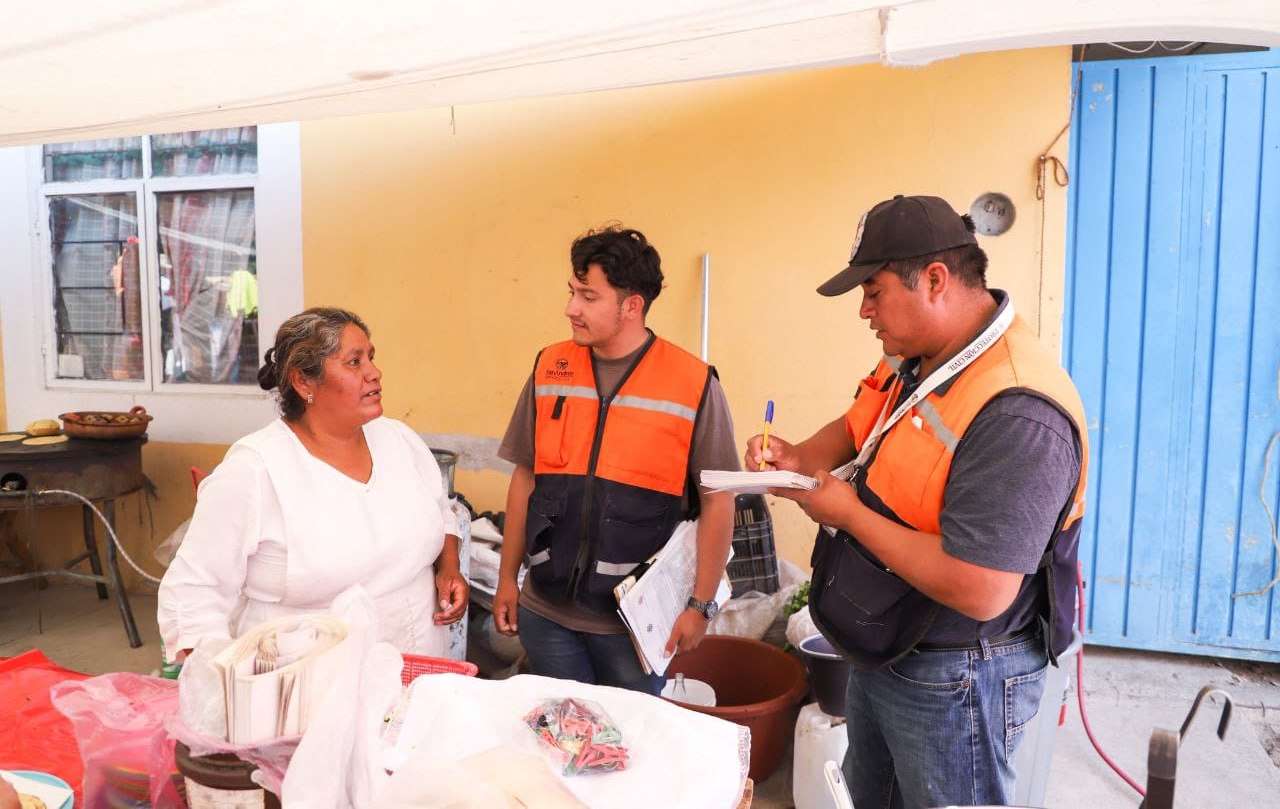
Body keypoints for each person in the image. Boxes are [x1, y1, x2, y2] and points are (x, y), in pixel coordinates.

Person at [746, 195, 1087, 807]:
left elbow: (981, 587)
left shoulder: (1016, 409)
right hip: (890, 642)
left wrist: (848, 514)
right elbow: (858, 426)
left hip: (959, 674)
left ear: (934, 280)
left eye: (873, 291)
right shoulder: (920, 353)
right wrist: (799, 459)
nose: (864, 311)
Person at [492, 225, 738, 694]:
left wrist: (701, 605)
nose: (571, 308)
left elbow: (718, 501)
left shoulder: (693, 382)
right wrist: (507, 578)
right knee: (563, 734)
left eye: (588, 296)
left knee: (628, 737)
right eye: (572, 292)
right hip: (546, 616)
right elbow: (526, 477)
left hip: (634, 628)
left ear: (631, 306)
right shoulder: (550, 366)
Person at [158, 307, 467, 659]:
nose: (375, 373)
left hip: (419, 663)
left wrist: (449, 568)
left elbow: (441, 512)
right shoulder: (254, 471)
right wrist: (224, 679)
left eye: (371, 357)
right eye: (354, 362)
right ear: (303, 381)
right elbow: (193, 594)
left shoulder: (399, 440)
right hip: (307, 677)